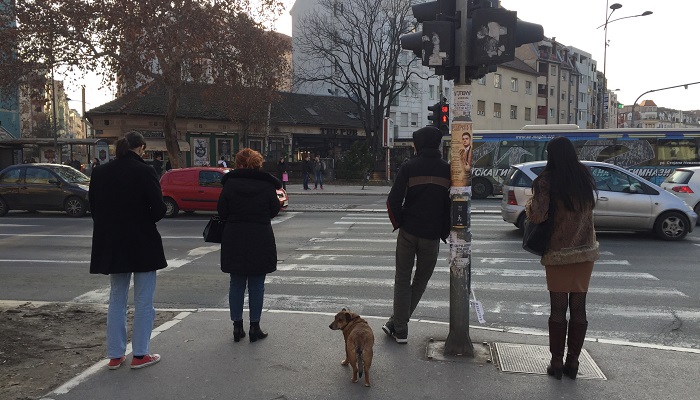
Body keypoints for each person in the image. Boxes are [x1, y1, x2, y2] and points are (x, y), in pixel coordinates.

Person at [88, 131, 167, 370]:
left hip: (112, 243)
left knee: (116, 298)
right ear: (141, 148)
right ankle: (140, 354)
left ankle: (115, 354)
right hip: (142, 241)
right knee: (143, 300)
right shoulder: (145, 171)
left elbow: (94, 207)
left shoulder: (100, 172)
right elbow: (159, 209)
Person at [525, 136, 599, 380]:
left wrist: (529, 204)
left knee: (558, 309)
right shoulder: (584, 177)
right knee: (579, 307)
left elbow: (537, 216)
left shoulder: (546, 181)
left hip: (558, 252)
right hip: (585, 251)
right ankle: (573, 362)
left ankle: (556, 362)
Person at [383, 126, 451, 344]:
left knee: (402, 279)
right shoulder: (448, 170)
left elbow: (393, 201)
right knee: (421, 280)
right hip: (431, 235)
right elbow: (451, 205)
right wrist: (443, 230)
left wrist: (400, 222)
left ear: (419, 145)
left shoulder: (409, 167)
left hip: (409, 232)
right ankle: (398, 325)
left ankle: (398, 326)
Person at [218, 148, 282, 343]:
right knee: (257, 284)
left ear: (237, 163)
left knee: (236, 282)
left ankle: (237, 326)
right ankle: (255, 327)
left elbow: (222, 211)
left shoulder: (230, 183)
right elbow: (274, 209)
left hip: (234, 236)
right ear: (258, 164)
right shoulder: (266, 184)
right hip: (260, 237)